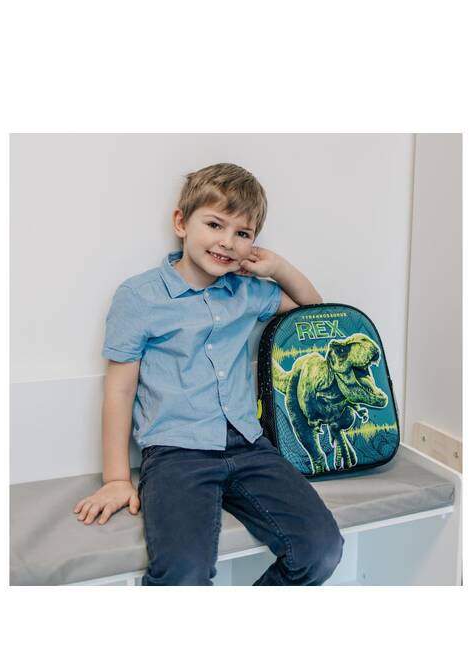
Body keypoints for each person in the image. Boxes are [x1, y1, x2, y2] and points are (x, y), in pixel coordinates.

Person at [73, 162, 345, 585]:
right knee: (184, 569)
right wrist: (116, 479)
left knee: (321, 548)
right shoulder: (139, 297)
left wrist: (278, 268)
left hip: (250, 446)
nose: (227, 242)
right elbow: (119, 392)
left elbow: (315, 318)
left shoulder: (249, 292)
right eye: (215, 224)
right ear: (181, 223)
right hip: (176, 453)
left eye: (243, 233)